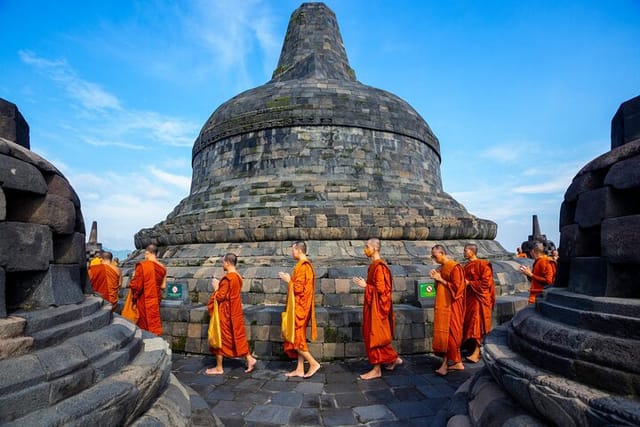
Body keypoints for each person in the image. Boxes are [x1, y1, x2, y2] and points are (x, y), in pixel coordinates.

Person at [352, 238, 402, 380]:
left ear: (374, 248)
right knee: (377, 336)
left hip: (377, 309)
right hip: (372, 306)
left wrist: (365, 286)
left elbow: (382, 290)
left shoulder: (379, 267)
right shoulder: (374, 265)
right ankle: (393, 359)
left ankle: (376, 369)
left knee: (374, 336)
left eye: (367, 246)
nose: (365, 249)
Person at [205, 253, 257, 375]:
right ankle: (250, 359)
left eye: (223, 262)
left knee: (219, 338)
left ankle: (219, 367)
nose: (222, 265)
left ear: (227, 263)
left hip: (226, 314)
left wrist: (216, 287)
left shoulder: (228, 278)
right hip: (235, 312)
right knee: (237, 336)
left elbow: (220, 297)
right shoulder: (238, 277)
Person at [278, 241, 321, 378]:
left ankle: (313, 363)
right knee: (299, 337)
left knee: (295, 339)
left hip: (300, 308)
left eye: (293, 250)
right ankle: (300, 368)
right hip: (300, 306)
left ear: (299, 250)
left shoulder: (303, 267)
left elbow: (298, 289)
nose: (292, 252)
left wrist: (288, 280)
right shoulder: (302, 265)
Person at [429, 244, 466, 376]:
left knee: (451, 335)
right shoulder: (441, 268)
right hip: (443, 304)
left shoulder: (454, 267)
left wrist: (440, 279)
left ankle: (445, 365)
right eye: (432, 256)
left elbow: (458, 289)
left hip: (452, 306)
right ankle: (458, 363)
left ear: (442, 253)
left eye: (435, 255)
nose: (434, 258)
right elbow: (438, 288)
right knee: (448, 334)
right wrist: (435, 278)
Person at [461, 244, 495, 363]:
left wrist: (470, 283)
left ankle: (477, 352)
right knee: (470, 324)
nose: (464, 253)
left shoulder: (483, 265)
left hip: (479, 300)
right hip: (470, 299)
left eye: (465, 250)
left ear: (472, 252)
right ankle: (472, 349)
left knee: (477, 325)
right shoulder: (466, 266)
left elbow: (486, 283)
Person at [129, 244, 167, 335]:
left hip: (144, 298)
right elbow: (163, 286)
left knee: (143, 322)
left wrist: (133, 282)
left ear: (147, 253)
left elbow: (136, 286)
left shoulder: (142, 266)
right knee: (154, 319)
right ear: (156, 254)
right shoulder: (163, 268)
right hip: (155, 298)